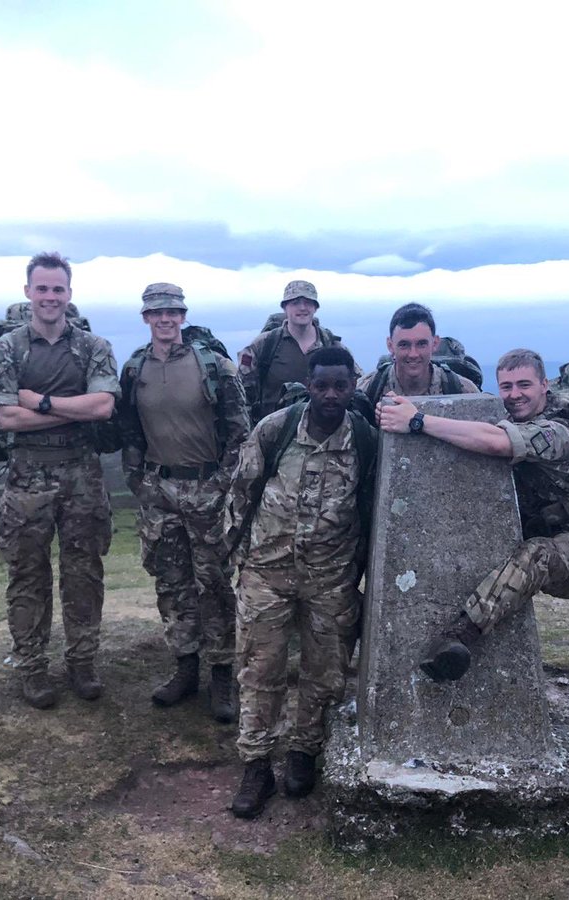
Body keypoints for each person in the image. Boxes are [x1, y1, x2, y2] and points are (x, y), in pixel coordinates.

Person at [377, 348, 569, 681]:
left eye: (524, 385)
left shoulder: (558, 434)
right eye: (507, 386)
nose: (515, 395)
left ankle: (459, 637)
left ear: (545, 385)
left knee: (537, 554)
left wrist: (418, 421)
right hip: (528, 534)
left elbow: (499, 443)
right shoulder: (516, 419)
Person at [224, 346, 376, 818]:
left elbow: (369, 511)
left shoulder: (367, 441)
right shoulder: (276, 429)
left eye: (340, 386)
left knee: (324, 673)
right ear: (308, 386)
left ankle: (304, 753)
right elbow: (241, 492)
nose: (331, 395)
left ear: (353, 387)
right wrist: (236, 559)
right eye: (321, 385)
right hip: (266, 574)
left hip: (331, 577)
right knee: (258, 670)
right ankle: (256, 765)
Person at [0, 252, 119, 709]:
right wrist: (69, 407)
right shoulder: (7, 349)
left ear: (69, 294)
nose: (49, 296)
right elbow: (4, 417)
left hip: (82, 473)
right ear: (28, 292)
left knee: (84, 573)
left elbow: (102, 408)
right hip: (27, 477)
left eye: (57, 289)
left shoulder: (93, 346)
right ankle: (33, 668)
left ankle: (82, 662)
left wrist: (39, 402)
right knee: (28, 576)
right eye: (41, 288)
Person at [118, 283, 249, 723]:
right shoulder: (135, 369)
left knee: (213, 583)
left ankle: (222, 673)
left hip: (207, 489)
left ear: (183, 314)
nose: (165, 319)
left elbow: (239, 432)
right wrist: (138, 481)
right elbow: (130, 432)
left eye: (172, 311)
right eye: (157, 313)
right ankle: (185, 668)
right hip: (159, 493)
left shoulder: (214, 365)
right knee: (171, 583)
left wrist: (222, 483)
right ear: (145, 318)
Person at [238, 280, 357, 424]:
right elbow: (242, 396)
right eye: (295, 303)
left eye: (308, 302)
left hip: (324, 433)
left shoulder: (332, 346)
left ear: (315, 307)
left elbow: (357, 386)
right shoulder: (264, 344)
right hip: (274, 434)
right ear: (284, 308)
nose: (302, 308)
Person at [357, 303, 481, 402]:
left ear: (435, 344)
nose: (413, 354)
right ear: (390, 346)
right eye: (404, 345)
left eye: (421, 344)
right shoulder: (368, 389)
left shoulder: (462, 391)